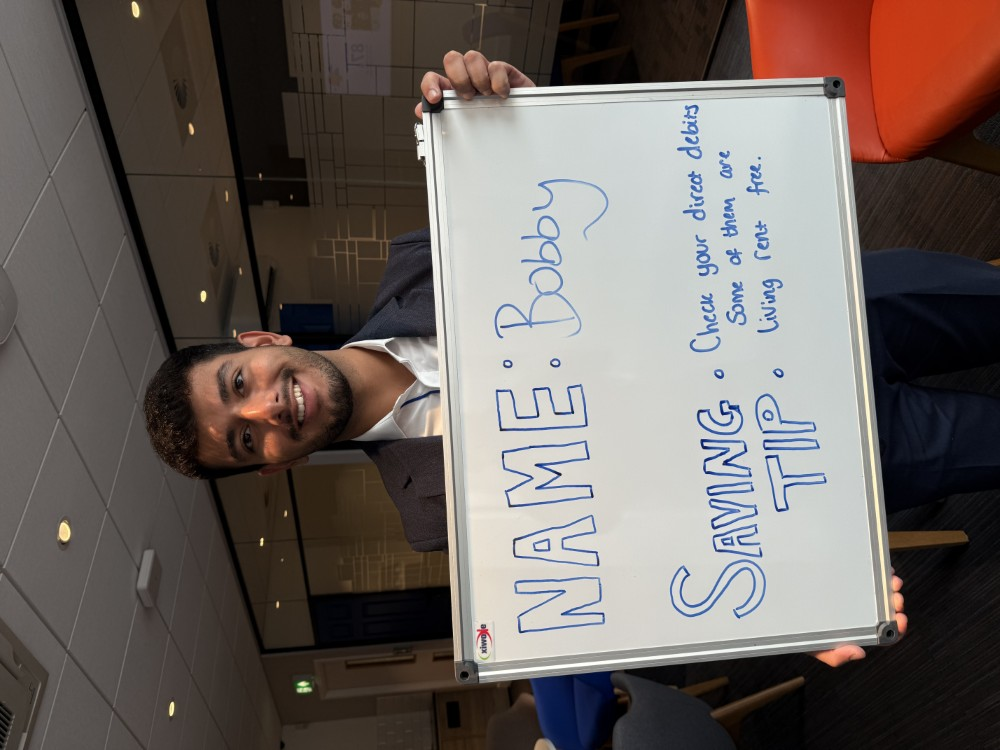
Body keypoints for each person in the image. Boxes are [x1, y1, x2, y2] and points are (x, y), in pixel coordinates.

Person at [146, 50, 1000, 665]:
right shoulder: (432, 520)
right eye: (246, 439)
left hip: (805, 303)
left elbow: (606, 200)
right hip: (801, 459)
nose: (265, 409)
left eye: (238, 383)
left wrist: (525, 119)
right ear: (271, 466)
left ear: (261, 343)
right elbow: (632, 565)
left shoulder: (420, 257)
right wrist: (790, 604)